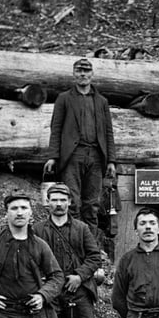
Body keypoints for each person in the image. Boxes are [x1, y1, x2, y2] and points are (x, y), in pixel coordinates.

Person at [33, 184, 103, 318]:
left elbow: (94, 257)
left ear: (70, 202)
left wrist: (80, 276)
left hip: (78, 289)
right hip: (51, 290)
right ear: (47, 203)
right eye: (54, 200)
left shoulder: (82, 228)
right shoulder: (38, 230)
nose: (58, 204)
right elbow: (31, 259)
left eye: (63, 200)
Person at [43, 57, 116, 236]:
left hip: (96, 156)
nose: (83, 74)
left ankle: (89, 245)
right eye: (79, 71)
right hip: (73, 155)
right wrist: (53, 156)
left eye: (86, 71)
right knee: (73, 201)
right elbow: (56, 128)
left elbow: (108, 133)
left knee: (92, 204)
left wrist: (111, 160)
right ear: (74, 74)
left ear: (92, 74)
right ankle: (72, 241)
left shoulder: (101, 101)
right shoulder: (64, 99)